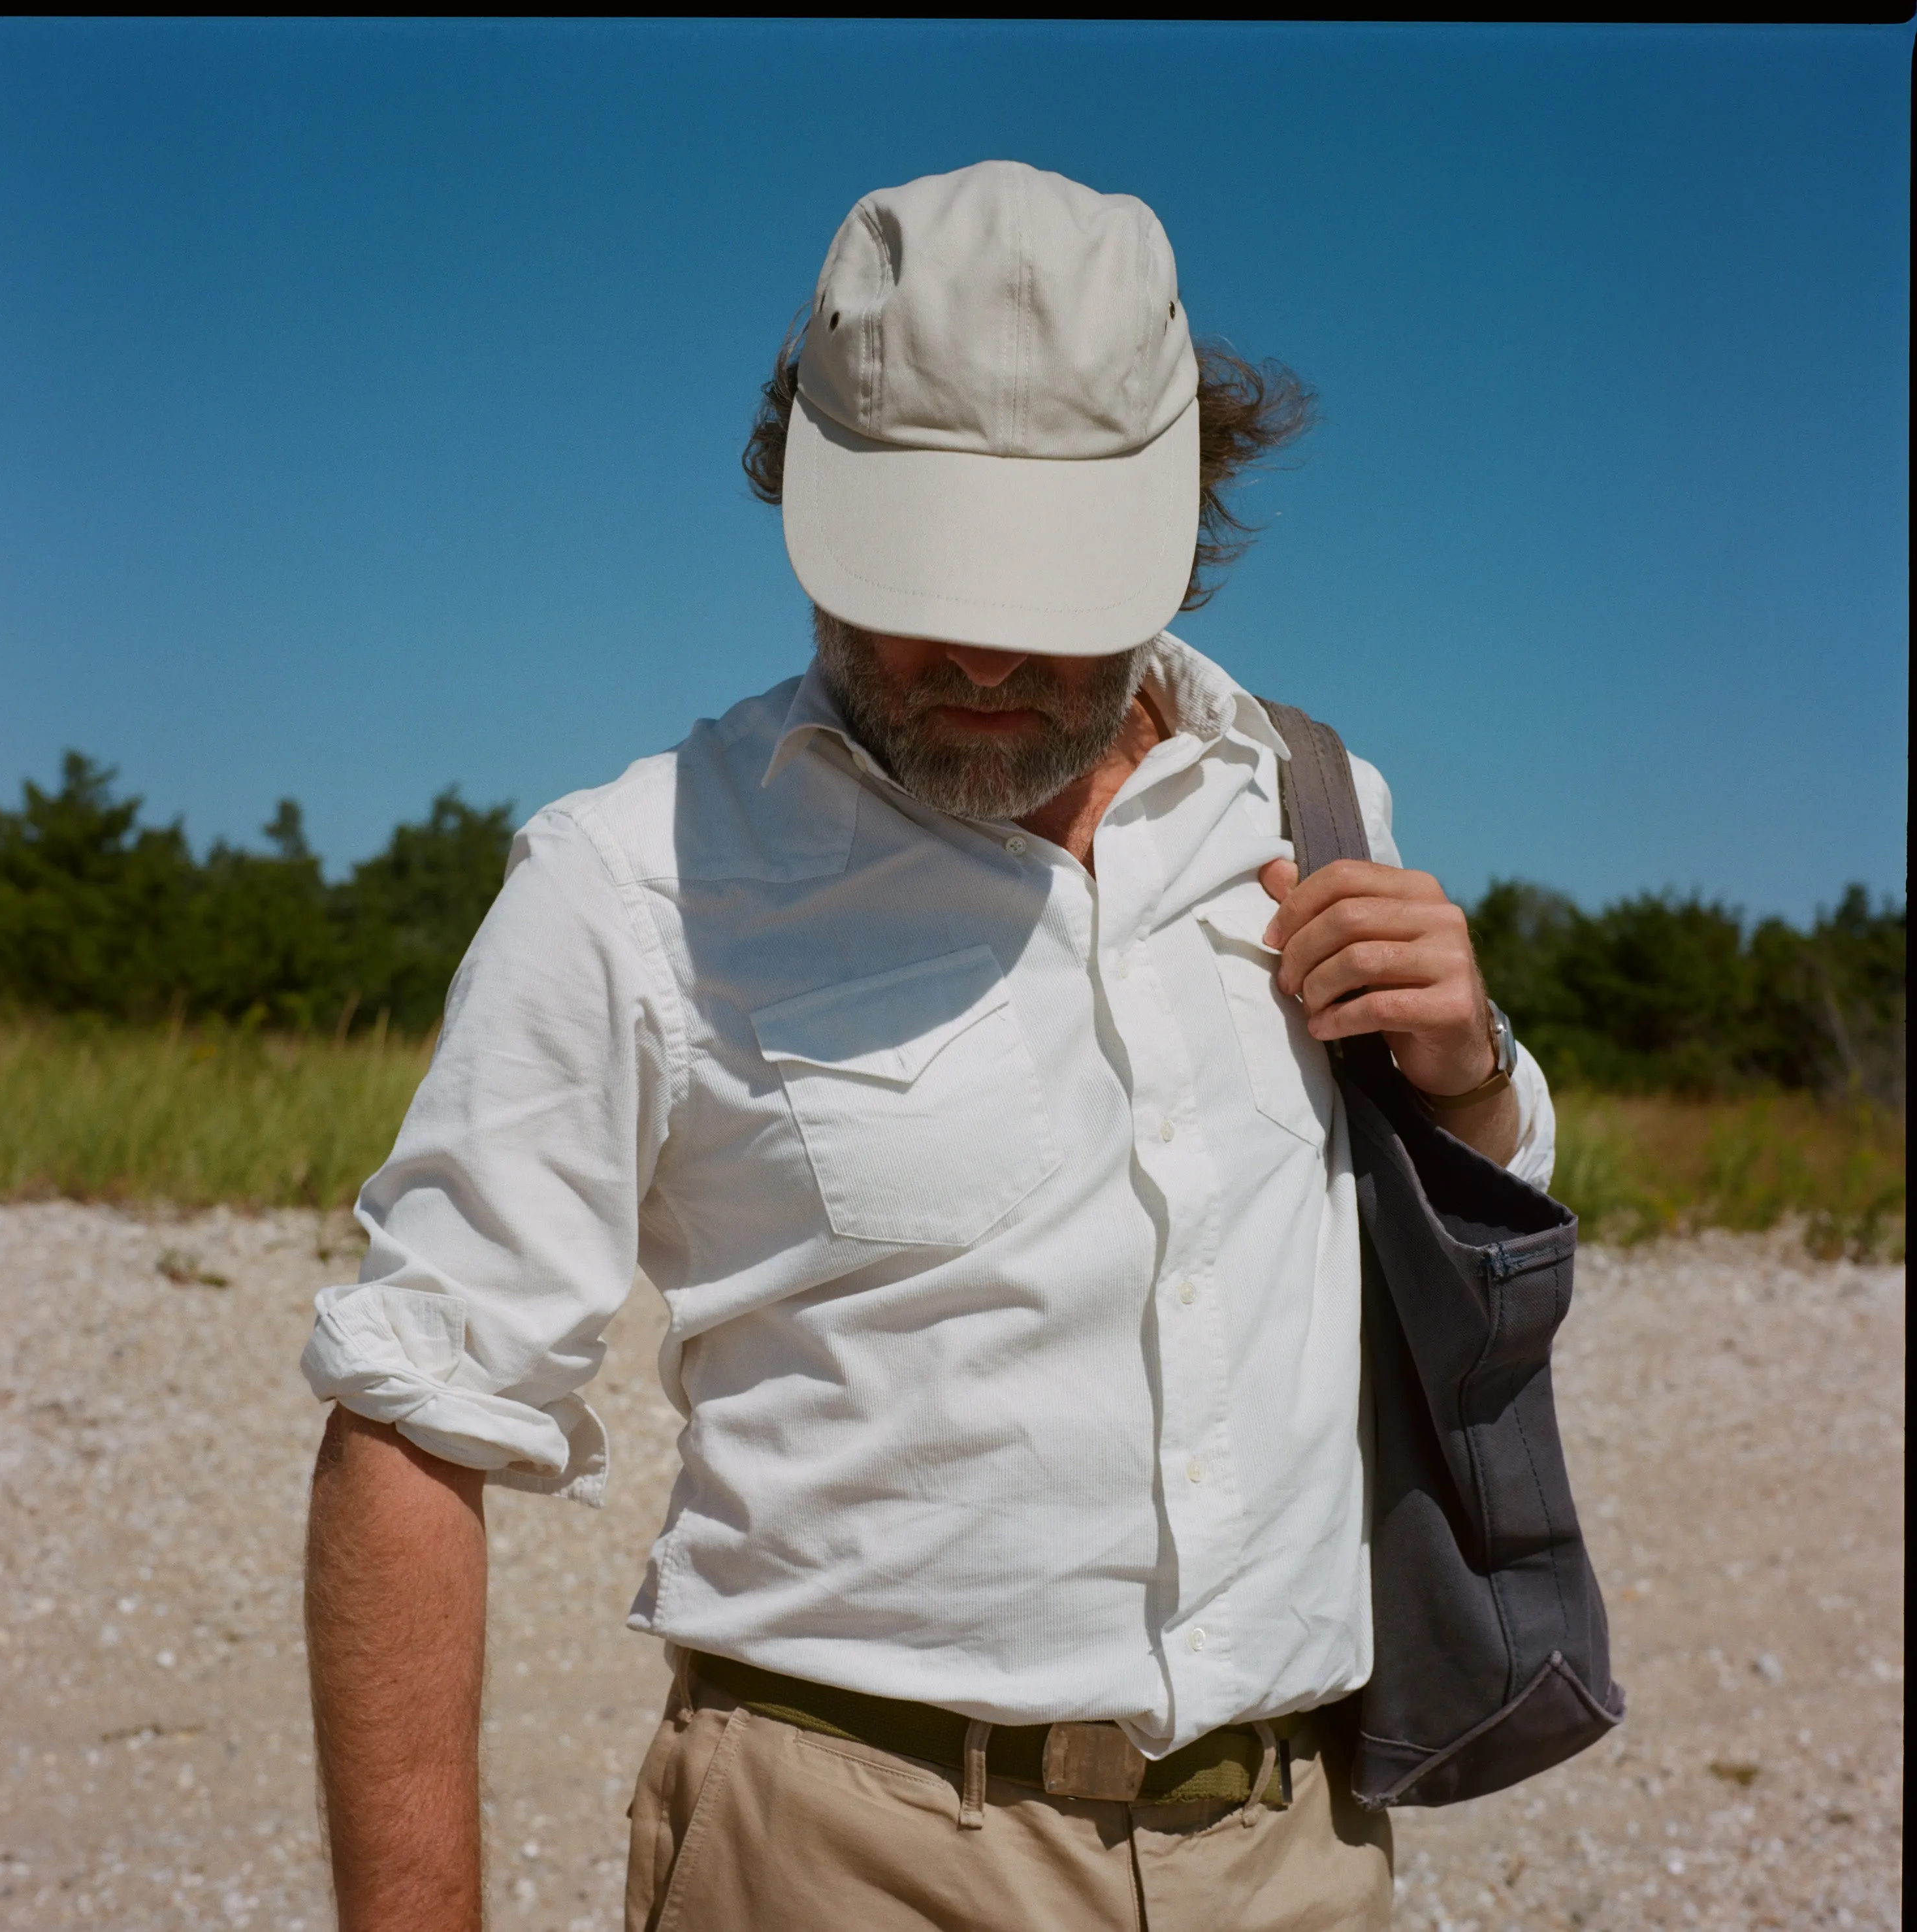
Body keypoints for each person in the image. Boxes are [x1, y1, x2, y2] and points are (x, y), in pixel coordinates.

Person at [301, 159, 1555, 1932]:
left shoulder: (1313, 801)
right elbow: (413, 1423)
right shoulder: (634, 877)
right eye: (915, 569)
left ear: (1185, 516)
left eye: (1038, 581)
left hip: (1299, 1851)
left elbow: (1463, 1227)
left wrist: (1470, 1072)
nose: (969, 647)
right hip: (846, 1856)